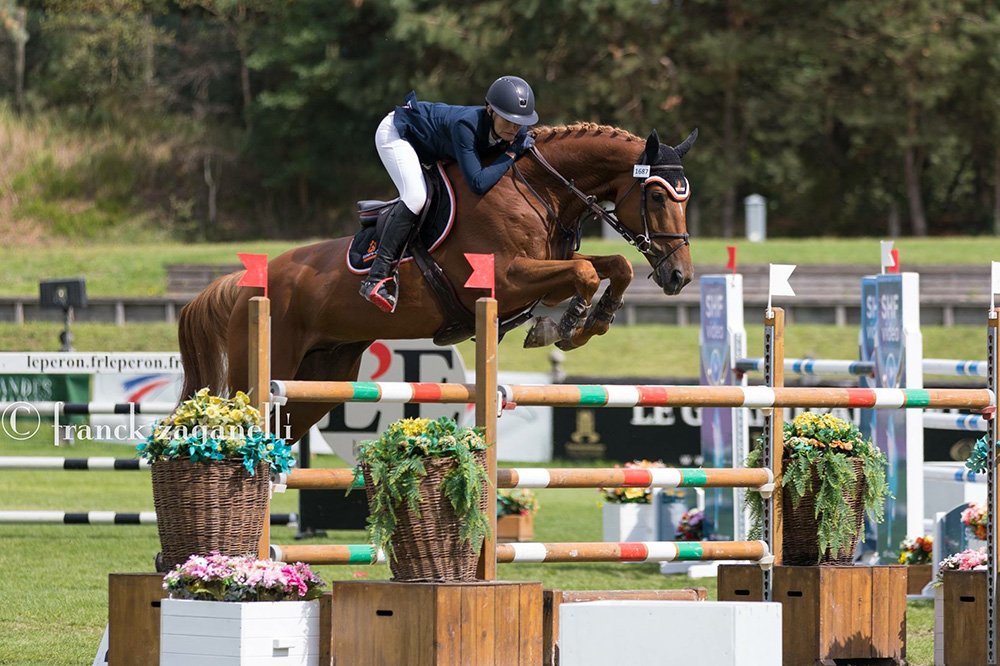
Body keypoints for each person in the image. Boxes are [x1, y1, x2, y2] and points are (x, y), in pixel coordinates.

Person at [359, 76, 540, 312]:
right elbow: (477, 182)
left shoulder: (513, 130)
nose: (515, 128)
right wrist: (511, 155)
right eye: (508, 120)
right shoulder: (466, 126)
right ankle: (376, 277)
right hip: (397, 134)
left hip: (431, 145)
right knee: (416, 197)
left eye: (520, 122)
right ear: (489, 110)